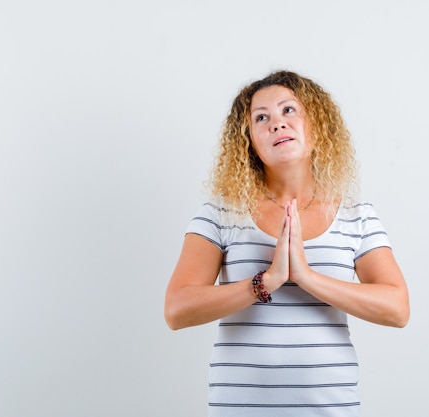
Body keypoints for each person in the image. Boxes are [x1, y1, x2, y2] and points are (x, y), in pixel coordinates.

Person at [164, 70, 409, 416]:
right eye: (261, 117)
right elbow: (176, 309)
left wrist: (307, 277)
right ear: (248, 139)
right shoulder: (221, 213)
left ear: (317, 126)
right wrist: (265, 283)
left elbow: (397, 308)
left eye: (288, 110)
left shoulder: (357, 215)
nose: (276, 124)